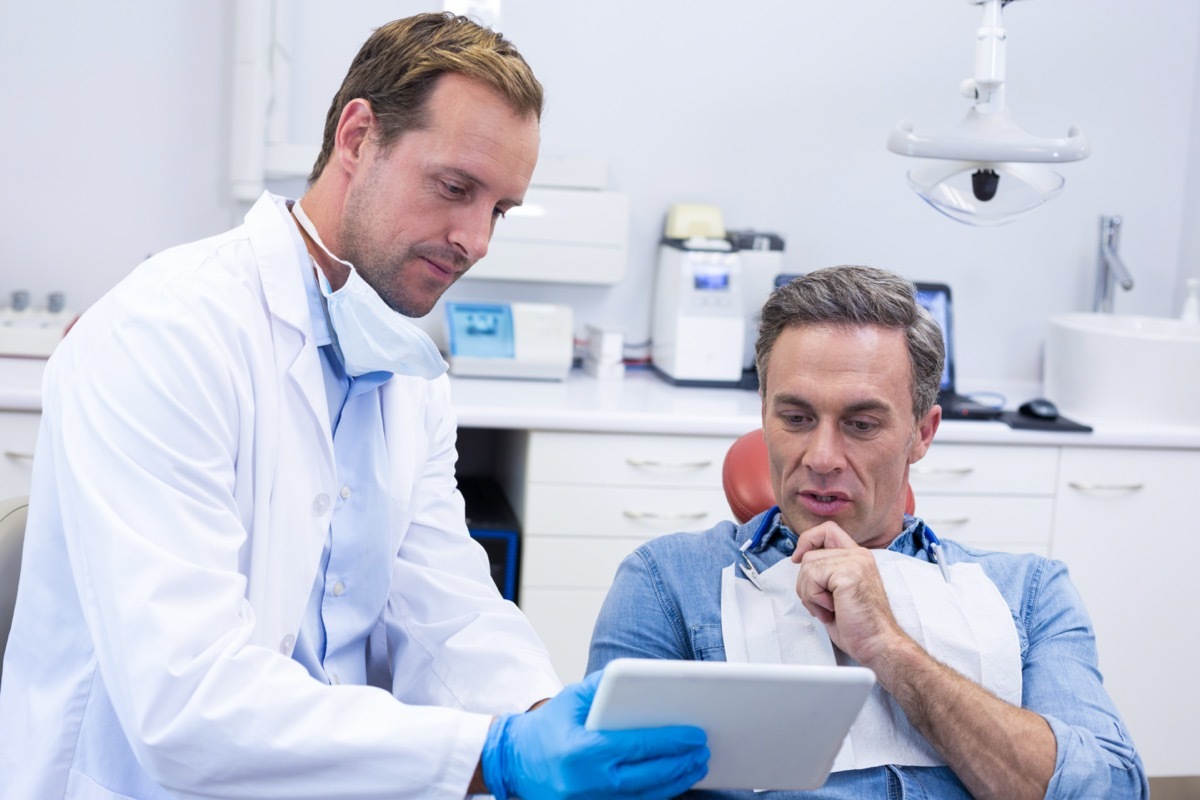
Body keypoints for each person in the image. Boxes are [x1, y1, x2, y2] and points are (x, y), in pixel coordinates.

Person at [0, 13, 709, 800]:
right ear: (357, 136)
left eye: (499, 210)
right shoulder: (163, 335)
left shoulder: (410, 367)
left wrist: (546, 717)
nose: (476, 239)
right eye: (454, 188)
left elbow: (446, 607)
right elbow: (187, 708)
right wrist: (495, 755)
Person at [588, 265, 1148, 799]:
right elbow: (594, 778)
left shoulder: (1027, 591)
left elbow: (1111, 789)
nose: (823, 457)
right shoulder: (670, 582)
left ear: (922, 433)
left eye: (861, 424)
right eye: (796, 418)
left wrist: (888, 645)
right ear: (763, 414)